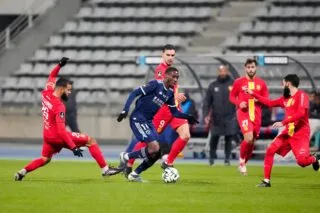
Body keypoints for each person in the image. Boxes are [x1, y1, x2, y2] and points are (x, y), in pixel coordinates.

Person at [14, 57, 121, 181]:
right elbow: (61, 130)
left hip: (48, 136)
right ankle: (105, 169)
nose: (70, 93)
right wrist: (73, 147)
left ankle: (22, 172)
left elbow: (52, 76)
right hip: (57, 136)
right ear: (61, 89)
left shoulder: (46, 93)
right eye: (68, 90)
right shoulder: (59, 106)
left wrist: (59, 65)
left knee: (45, 159)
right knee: (90, 141)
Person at [117, 67, 198, 181]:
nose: (175, 80)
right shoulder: (156, 83)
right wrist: (125, 110)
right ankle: (127, 159)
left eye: (177, 77)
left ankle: (134, 174)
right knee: (152, 146)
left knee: (156, 151)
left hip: (151, 120)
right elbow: (135, 92)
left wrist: (188, 116)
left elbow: (174, 111)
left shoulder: (169, 92)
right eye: (173, 77)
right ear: (166, 76)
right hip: (139, 118)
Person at [245, 74, 320, 187]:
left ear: (288, 83)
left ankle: (315, 158)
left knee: (302, 162)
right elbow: (269, 103)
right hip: (288, 133)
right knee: (270, 150)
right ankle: (266, 181)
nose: (282, 85)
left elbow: (301, 114)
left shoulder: (302, 96)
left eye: (283, 82)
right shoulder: (285, 98)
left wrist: (283, 122)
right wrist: (253, 93)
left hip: (300, 134)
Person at [229, 58, 269, 175]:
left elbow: (267, 100)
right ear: (245, 68)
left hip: (256, 114)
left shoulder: (261, 83)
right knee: (248, 138)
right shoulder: (239, 82)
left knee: (252, 142)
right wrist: (239, 103)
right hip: (244, 113)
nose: (251, 69)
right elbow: (232, 97)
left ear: (256, 68)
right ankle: (242, 163)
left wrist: (258, 99)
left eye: (252, 67)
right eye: (248, 67)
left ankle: (243, 163)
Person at [204, 65, 237, 166]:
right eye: (221, 71)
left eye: (224, 71)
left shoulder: (234, 84)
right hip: (216, 117)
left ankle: (227, 159)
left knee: (229, 138)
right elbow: (207, 101)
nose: (222, 73)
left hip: (230, 116)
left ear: (227, 72)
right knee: (214, 137)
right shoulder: (213, 85)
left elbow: (240, 98)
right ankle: (211, 158)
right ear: (218, 72)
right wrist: (206, 115)